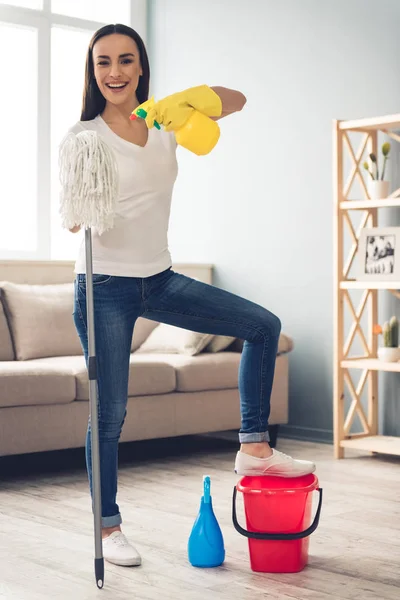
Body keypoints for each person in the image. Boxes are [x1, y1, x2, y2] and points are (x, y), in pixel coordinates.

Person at [65, 23, 315, 567]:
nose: (114, 72)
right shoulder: (82, 137)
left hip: (158, 277)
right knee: (109, 415)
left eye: (126, 60)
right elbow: (72, 219)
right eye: (103, 62)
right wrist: (82, 192)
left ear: (140, 67)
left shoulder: (165, 124)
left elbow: (237, 100)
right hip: (103, 285)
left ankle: (253, 448)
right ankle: (108, 529)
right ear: (92, 71)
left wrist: (185, 102)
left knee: (262, 325)